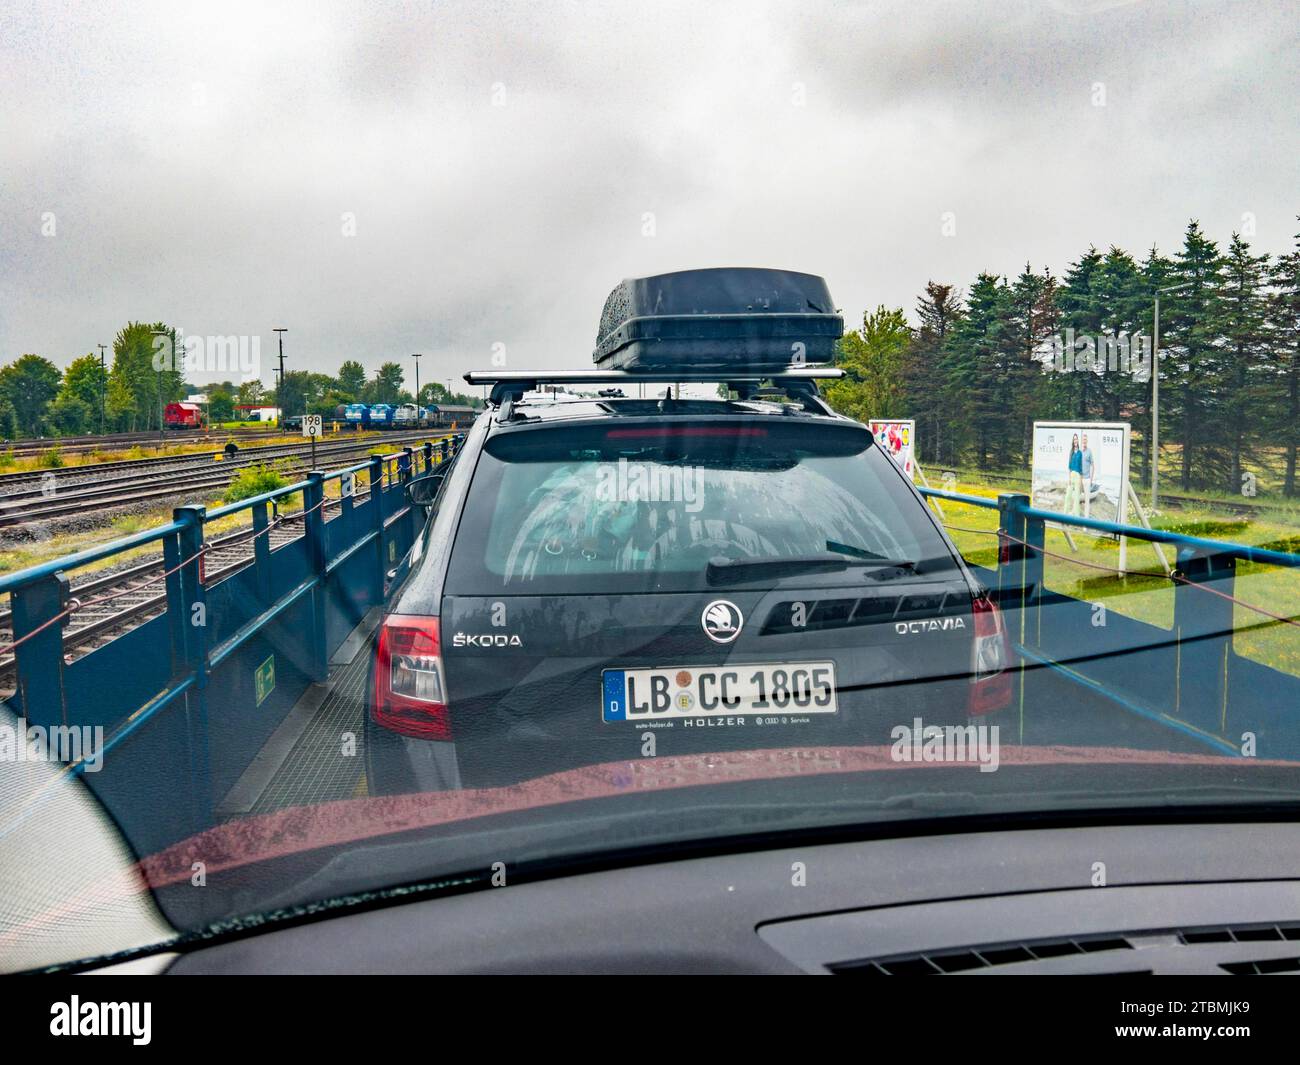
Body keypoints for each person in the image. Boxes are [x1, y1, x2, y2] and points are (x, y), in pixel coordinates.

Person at [1064, 433, 1082, 516]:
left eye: (1076, 439)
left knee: (1076, 498)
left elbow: (1081, 467)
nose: (1075, 440)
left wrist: (1081, 479)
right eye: (1074, 439)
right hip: (1071, 475)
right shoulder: (1071, 452)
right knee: (1068, 496)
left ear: (1078, 441)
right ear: (1073, 441)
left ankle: (1076, 516)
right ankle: (1065, 514)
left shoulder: (1080, 453)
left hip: (1078, 475)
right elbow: (1069, 467)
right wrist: (1069, 478)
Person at [1079, 433, 1096, 517]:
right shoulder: (1078, 451)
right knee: (1077, 499)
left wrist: (1091, 479)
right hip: (1079, 479)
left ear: (1087, 441)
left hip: (1087, 479)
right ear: (1081, 441)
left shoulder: (1089, 451)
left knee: (1087, 501)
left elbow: (1093, 466)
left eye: (1085, 440)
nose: (1084, 441)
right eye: (1083, 440)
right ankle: (1076, 518)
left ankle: (1085, 522)